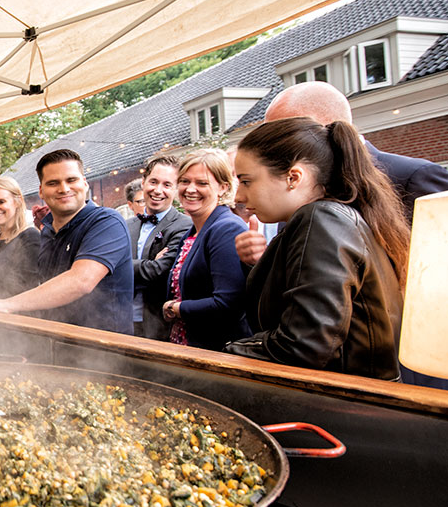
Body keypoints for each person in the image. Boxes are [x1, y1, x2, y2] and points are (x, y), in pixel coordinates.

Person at [225, 117, 408, 380]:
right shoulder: (335, 218)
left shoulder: (321, 219)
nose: (239, 197)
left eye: (246, 181)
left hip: (345, 408)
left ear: (293, 177)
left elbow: (305, 345)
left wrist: (225, 351)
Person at [235, 81, 448, 266]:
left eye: (282, 134)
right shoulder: (291, 193)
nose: (269, 146)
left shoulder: (413, 176)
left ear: (322, 128)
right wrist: (261, 261)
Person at [0, 150, 133, 335]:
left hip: (105, 349)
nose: (64, 189)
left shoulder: (106, 221)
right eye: (53, 183)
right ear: (41, 191)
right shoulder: (48, 231)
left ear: (84, 183)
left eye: (71, 180)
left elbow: (81, 281)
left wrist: (8, 304)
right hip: (57, 343)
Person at [161, 149, 250, 350]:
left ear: (223, 187)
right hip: (187, 344)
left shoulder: (227, 228)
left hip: (216, 353)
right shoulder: (192, 232)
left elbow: (227, 304)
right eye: (185, 181)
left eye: (202, 183)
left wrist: (175, 308)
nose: (191, 189)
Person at [127, 155, 193, 340]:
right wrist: (148, 264)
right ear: (143, 182)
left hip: (159, 325)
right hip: (122, 321)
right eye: (153, 182)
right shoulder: (125, 225)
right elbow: (107, 269)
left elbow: (160, 272)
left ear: (176, 188)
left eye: (167, 184)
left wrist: (122, 265)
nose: (158, 190)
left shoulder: (185, 226)